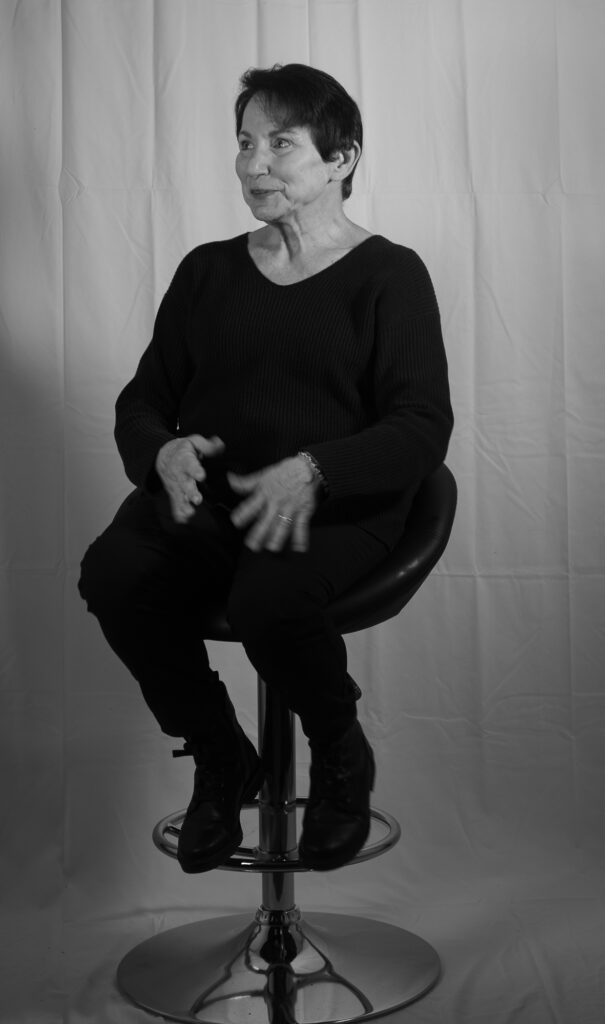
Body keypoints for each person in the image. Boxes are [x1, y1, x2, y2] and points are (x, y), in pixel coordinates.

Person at [78, 63, 453, 874]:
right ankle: (219, 753)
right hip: (217, 500)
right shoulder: (206, 271)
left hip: (335, 503)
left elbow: (422, 427)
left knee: (267, 599)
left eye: (280, 144)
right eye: (244, 143)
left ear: (341, 158)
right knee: (113, 573)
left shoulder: (389, 275)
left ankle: (340, 752)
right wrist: (159, 450)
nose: (253, 164)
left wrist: (315, 468)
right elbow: (143, 402)